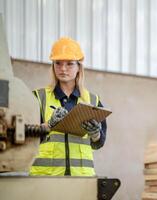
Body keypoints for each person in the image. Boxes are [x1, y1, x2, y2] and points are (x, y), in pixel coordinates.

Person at [30, 37, 107, 176]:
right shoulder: (38, 98)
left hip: (82, 179)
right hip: (45, 179)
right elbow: (26, 138)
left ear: (79, 67)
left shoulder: (93, 100)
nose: (63, 69)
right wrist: (48, 125)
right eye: (58, 63)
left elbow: (99, 142)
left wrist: (95, 134)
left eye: (70, 64)